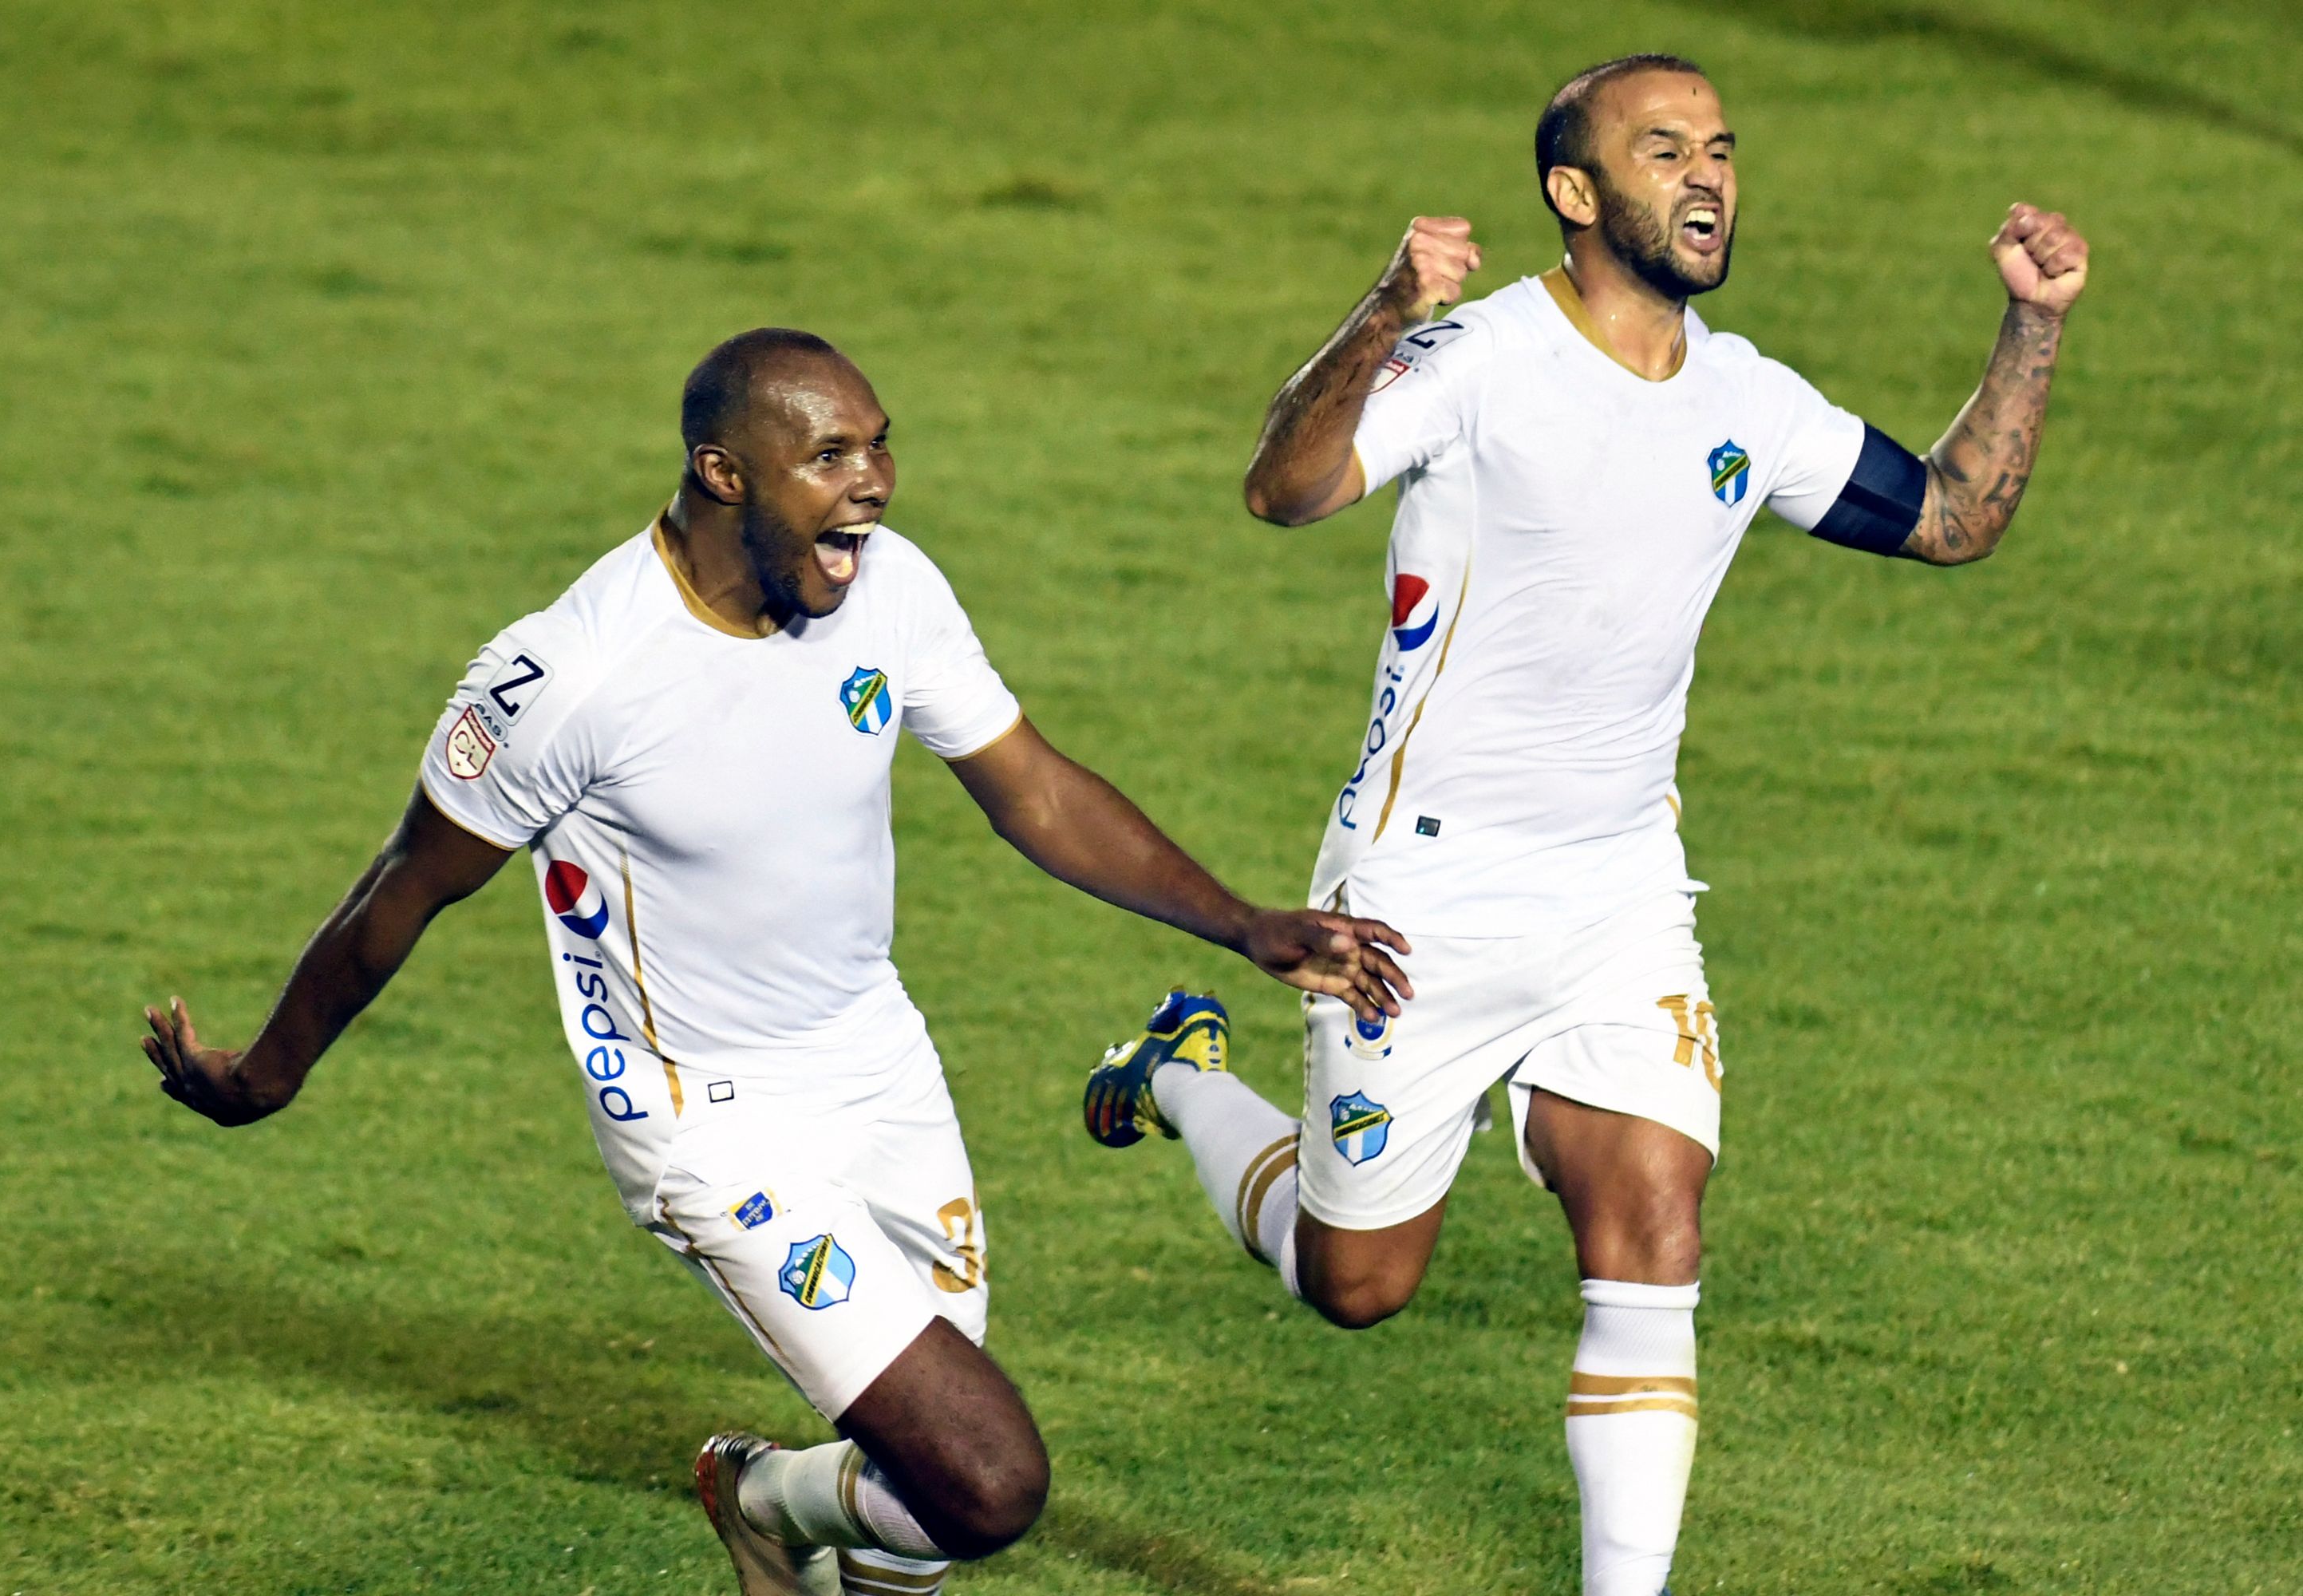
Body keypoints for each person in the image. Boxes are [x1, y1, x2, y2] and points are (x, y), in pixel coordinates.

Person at [140, 327, 1411, 1596]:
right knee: (982, 1481)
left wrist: (1244, 924)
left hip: (876, 1057)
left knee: (919, 1493)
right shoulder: (575, 675)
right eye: (830, 454)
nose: (875, 480)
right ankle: (757, 1493)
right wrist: (267, 1072)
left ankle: (777, 1527)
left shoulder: (889, 588)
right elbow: (399, 891)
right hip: (704, 1111)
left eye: (880, 443)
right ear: (724, 473)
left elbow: (1033, 790)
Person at [1081, 53, 2087, 1596]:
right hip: (1422, 896)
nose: (1707, 178)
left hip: (1621, 896)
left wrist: (2034, 323)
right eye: (1665, 149)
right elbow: (1284, 492)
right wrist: (1380, 313)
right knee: (1358, 1283)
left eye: (1723, 151)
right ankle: (1179, 1074)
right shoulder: (1478, 359)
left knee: (1655, 1219)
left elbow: (1953, 516)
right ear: (1575, 193)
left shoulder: (1750, 398)